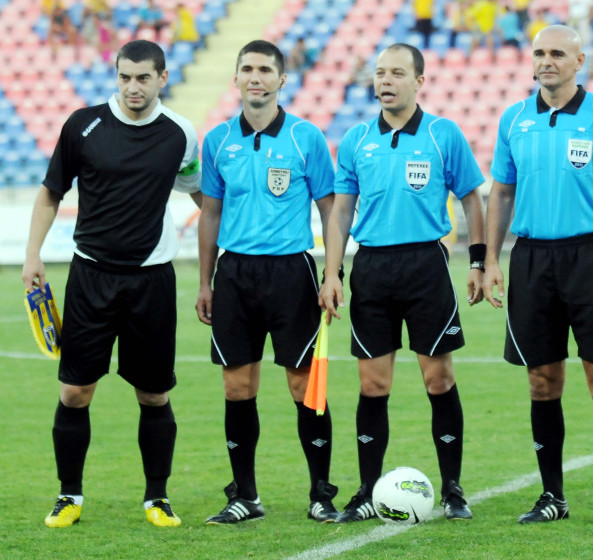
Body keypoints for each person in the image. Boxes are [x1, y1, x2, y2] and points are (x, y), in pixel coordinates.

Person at [22, 39, 202, 528]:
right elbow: (50, 192)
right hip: (91, 275)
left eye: (143, 78)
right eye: (124, 77)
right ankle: (68, 496)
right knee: (75, 392)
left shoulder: (181, 134)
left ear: (162, 78)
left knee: (154, 396)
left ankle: (157, 498)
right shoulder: (83, 125)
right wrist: (32, 254)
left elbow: (202, 196)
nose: (132, 87)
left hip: (152, 281)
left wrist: (238, 245)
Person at [483, 25, 593, 526]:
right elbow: (502, 195)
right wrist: (489, 259)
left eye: (558, 53)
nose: (547, 61)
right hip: (531, 259)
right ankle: (552, 495)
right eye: (539, 53)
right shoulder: (514, 119)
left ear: (580, 60)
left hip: (592, 258)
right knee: (541, 380)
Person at [318, 43, 486, 523]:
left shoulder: (441, 134)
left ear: (419, 81)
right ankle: (368, 490)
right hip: (371, 267)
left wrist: (477, 260)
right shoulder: (355, 139)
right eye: (379, 73)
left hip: (426, 265)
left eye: (396, 73)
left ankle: (453, 488)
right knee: (372, 383)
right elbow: (341, 212)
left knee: (439, 377)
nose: (385, 80)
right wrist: (333, 273)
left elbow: (472, 199)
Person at [196, 40, 341, 525]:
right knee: (237, 386)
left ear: (282, 80)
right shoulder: (217, 141)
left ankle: (321, 493)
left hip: (291, 272)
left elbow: (330, 209)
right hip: (234, 273)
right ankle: (246, 496)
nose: (254, 77)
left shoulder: (306, 138)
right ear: (236, 78)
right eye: (247, 69)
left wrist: (332, 272)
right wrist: (205, 281)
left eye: (264, 70)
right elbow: (210, 214)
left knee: (306, 387)